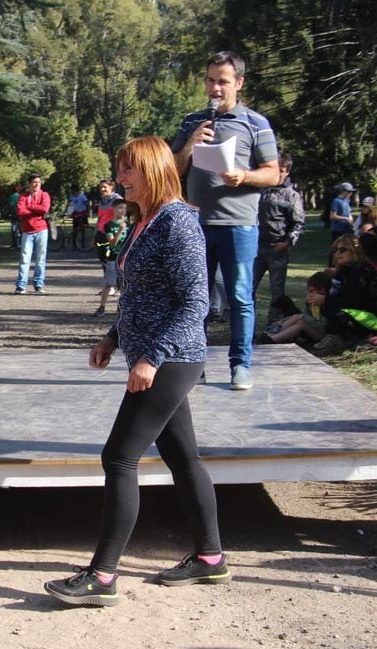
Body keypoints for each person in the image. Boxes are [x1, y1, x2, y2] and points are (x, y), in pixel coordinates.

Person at [44, 136, 227, 607]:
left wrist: (151, 357)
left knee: (119, 457)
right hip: (149, 352)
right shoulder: (145, 221)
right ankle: (210, 558)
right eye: (120, 169)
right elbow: (142, 297)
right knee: (184, 458)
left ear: (152, 171)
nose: (120, 178)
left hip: (172, 357)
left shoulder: (179, 222)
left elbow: (195, 303)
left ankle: (102, 577)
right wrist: (113, 337)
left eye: (129, 170)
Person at [171, 50, 280, 391]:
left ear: (239, 84)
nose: (215, 88)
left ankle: (240, 366)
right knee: (194, 296)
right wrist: (189, 145)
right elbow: (171, 169)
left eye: (223, 81)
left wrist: (243, 176)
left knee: (239, 296)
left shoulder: (255, 123)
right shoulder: (191, 121)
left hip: (239, 224)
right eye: (210, 80)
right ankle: (194, 366)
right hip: (194, 224)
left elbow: (273, 174)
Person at [312, 234, 377, 352]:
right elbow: (337, 296)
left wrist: (325, 299)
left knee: (336, 312)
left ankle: (339, 338)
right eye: (335, 250)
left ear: (354, 250)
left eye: (342, 250)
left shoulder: (362, 271)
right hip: (359, 314)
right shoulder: (343, 271)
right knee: (328, 308)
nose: (337, 254)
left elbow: (354, 300)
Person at [254, 152, 305, 325]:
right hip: (256, 246)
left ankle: (273, 326)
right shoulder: (261, 189)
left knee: (277, 291)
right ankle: (248, 326)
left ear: (287, 172)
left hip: (278, 248)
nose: (279, 173)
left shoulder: (292, 195)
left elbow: (299, 223)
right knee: (248, 288)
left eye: (282, 170)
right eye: (276, 169)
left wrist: (288, 242)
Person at [261, 272, 330, 346]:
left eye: (312, 291)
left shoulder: (329, 300)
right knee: (299, 322)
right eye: (309, 291)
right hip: (313, 329)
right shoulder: (313, 302)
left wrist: (321, 304)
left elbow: (324, 323)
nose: (311, 294)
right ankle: (273, 338)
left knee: (299, 317)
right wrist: (308, 305)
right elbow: (309, 317)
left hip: (323, 333)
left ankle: (272, 335)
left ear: (322, 289)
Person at [15, 173, 51, 294]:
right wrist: (35, 209)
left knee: (40, 258)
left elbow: (44, 209)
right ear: (29, 184)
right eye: (34, 182)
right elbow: (20, 211)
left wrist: (29, 207)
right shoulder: (23, 196)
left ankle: (38, 283)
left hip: (42, 230)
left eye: (39, 182)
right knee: (25, 258)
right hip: (27, 231)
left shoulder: (44, 195)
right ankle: (21, 285)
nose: (37, 184)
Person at [93, 198, 128, 317]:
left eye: (124, 208)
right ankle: (102, 307)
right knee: (109, 283)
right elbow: (113, 242)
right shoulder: (109, 225)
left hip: (126, 258)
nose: (122, 211)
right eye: (120, 208)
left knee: (125, 285)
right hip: (113, 257)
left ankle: (124, 310)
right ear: (113, 209)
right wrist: (120, 230)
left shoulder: (130, 224)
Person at [66, 184, 90, 250]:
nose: (71, 192)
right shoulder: (72, 196)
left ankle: (83, 244)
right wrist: (66, 211)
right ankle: (74, 245)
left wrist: (87, 211)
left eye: (72, 190)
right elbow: (69, 203)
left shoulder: (82, 196)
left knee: (82, 229)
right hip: (76, 213)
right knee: (75, 229)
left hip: (82, 213)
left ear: (74, 190)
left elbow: (86, 203)